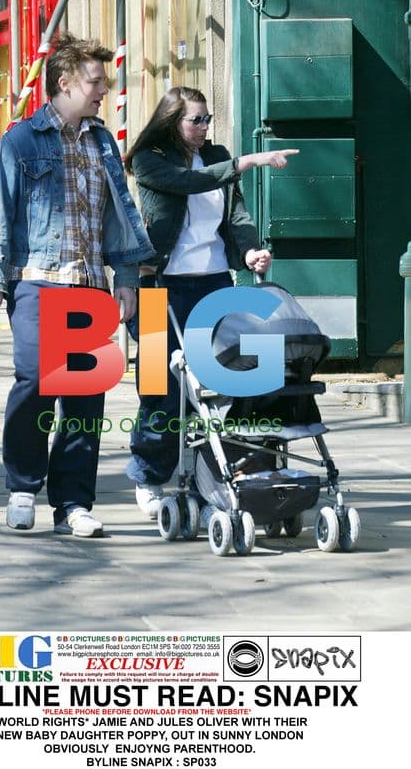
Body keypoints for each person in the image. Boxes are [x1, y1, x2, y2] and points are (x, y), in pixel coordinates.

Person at [0, 33, 153, 537]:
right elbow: (0, 216)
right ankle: (23, 487)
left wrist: (127, 278)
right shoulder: (20, 140)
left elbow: (120, 216)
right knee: (34, 378)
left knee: (84, 392)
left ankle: (73, 502)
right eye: (96, 82)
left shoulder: (102, 142)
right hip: (37, 280)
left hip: (91, 284)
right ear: (65, 81)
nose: (103, 93)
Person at [124, 86, 298, 518]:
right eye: (194, 120)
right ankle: (149, 478)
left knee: (217, 391)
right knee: (158, 389)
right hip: (157, 288)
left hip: (214, 285)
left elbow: (235, 215)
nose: (203, 128)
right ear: (171, 122)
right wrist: (246, 162)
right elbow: (188, 183)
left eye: (206, 120)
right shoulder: (150, 160)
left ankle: (209, 485)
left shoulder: (215, 154)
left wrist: (249, 251)